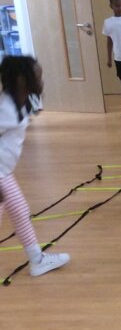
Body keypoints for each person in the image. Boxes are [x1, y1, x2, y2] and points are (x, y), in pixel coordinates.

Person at [0, 56, 70, 276]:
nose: (42, 81)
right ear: (22, 80)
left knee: (20, 212)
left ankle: (37, 260)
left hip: (4, 173)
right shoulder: (5, 108)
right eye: (38, 77)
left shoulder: (19, 103)